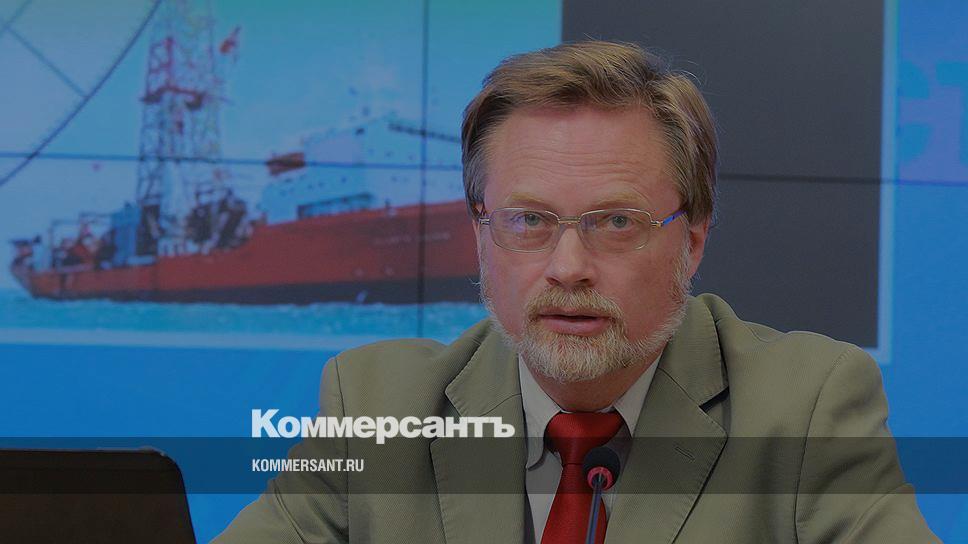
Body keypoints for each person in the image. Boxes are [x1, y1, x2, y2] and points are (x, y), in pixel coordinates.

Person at [214, 41, 938, 543]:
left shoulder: (807, 408)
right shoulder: (375, 405)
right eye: (529, 221)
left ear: (692, 239)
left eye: (616, 222)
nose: (568, 267)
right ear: (481, 234)